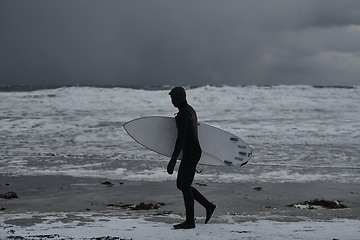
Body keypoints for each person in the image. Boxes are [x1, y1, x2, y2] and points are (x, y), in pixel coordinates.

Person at [167, 86, 216, 229]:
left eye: (172, 98)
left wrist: (173, 158)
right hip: (192, 151)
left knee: (185, 186)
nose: (171, 101)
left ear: (177, 98)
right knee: (181, 185)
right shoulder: (190, 110)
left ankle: (190, 221)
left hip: (191, 152)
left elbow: (181, 138)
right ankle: (208, 206)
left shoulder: (183, 114)